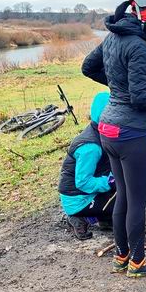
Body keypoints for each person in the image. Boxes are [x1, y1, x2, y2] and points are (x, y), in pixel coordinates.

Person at [82, 0, 146, 278]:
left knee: (123, 194)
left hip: (108, 128)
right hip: (131, 133)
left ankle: (121, 256)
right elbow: (141, 98)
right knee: (136, 200)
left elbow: (88, 67)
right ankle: (138, 261)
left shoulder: (112, 38)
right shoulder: (141, 49)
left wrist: (117, 87)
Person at [59, 92, 116, 240]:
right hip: (77, 199)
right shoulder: (91, 147)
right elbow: (83, 182)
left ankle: (105, 219)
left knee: (119, 192)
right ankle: (81, 219)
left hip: (86, 193)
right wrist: (109, 182)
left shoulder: (99, 131)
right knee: (124, 200)